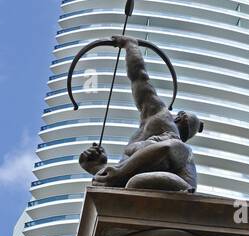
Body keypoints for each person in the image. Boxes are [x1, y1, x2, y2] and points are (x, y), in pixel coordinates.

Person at [79, 36, 203, 192]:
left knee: (135, 182)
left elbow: (140, 78)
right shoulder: (146, 147)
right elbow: (118, 179)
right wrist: (98, 167)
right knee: (134, 183)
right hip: (138, 194)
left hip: (177, 191)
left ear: (178, 118)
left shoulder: (168, 131)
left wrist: (131, 46)